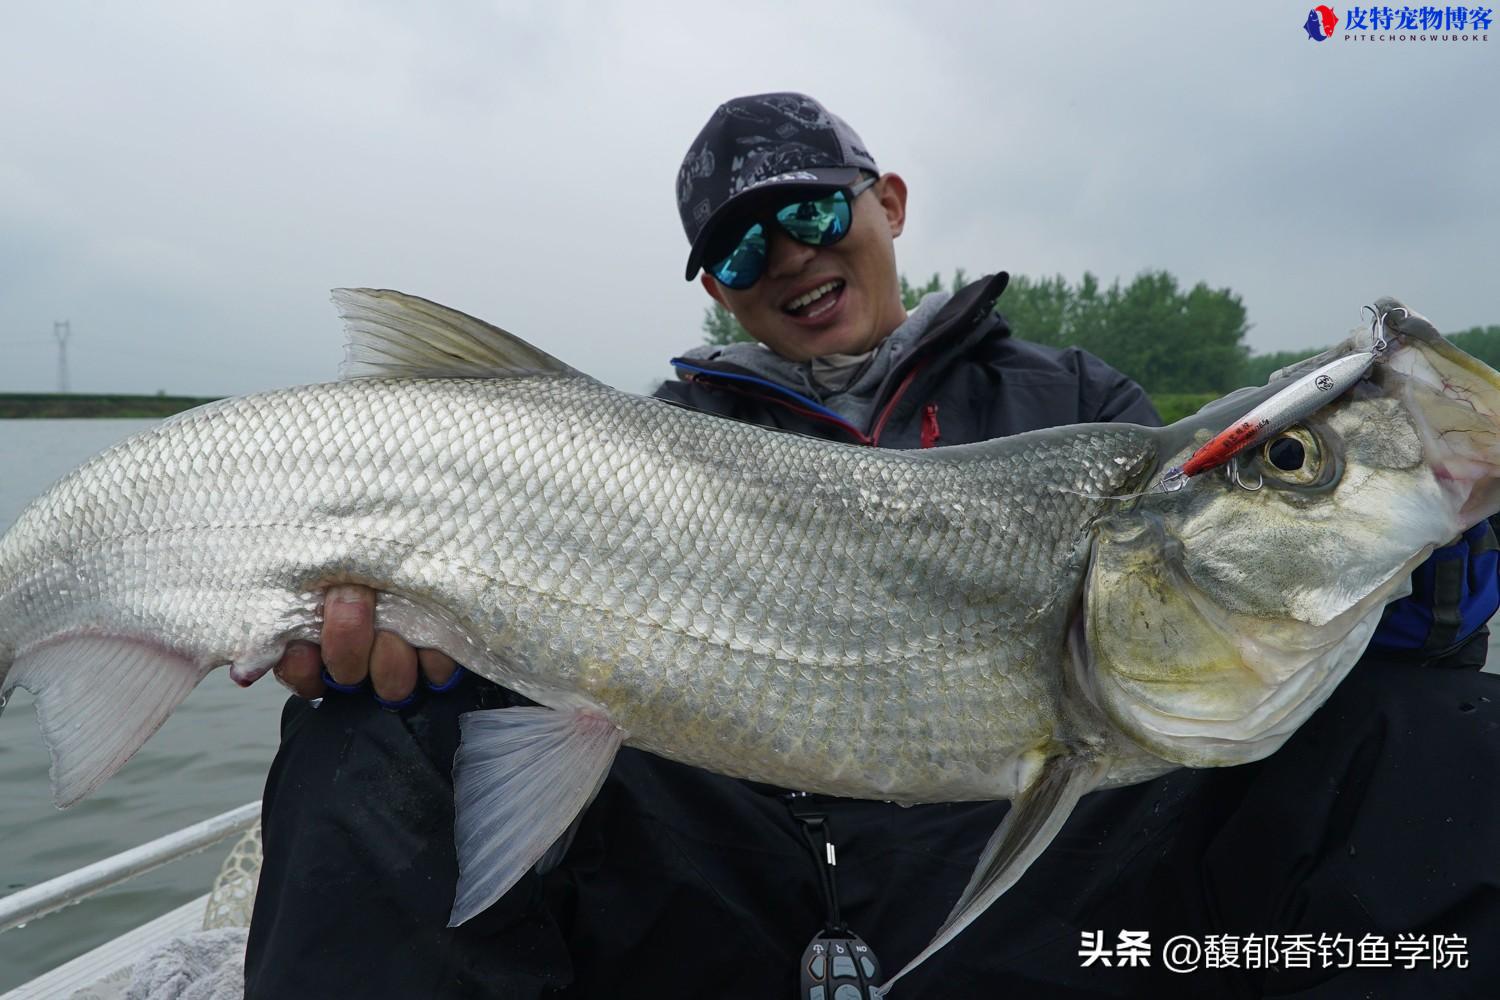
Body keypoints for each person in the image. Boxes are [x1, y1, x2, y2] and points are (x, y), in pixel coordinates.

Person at [246, 93, 1500, 999]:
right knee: (368, 733)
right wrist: (453, 658)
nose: (788, 254)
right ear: (716, 289)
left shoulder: (1081, 399)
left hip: (1047, 860)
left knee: (1429, 726)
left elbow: (1224, 588)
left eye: (807, 208)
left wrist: (1416, 583)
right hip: (727, 853)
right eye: (741, 245)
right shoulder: (643, 444)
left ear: (886, 202)